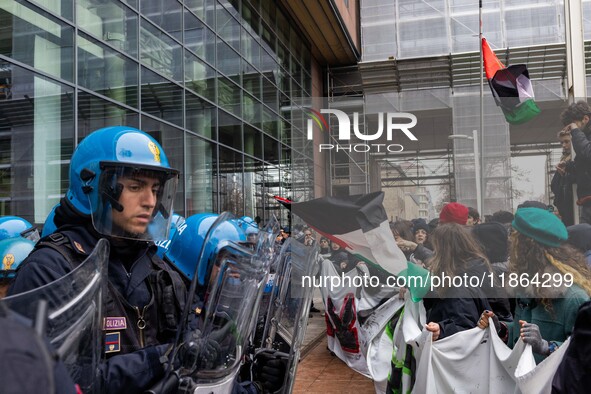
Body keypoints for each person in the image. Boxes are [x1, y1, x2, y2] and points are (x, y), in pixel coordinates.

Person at [9, 126, 186, 394]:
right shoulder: (50, 268)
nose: (150, 201)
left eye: (156, 189)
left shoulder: (158, 269)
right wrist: (157, 360)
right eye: (136, 186)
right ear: (93, 186)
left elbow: (189, 353)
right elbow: (52, 379)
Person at [478, 208, 591, 363]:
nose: (511, 247)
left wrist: (547, 346)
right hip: (523, 382)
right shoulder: (525, 288)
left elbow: (584, 353)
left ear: (528, 249)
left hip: (552, 385)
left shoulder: (574, 298)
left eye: (515, 241)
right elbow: (522, 334)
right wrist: (501, 328)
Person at [424, 223, 492, 341]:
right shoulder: (466, 274)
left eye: (435, 250)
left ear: (444, 254)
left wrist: (441, 330)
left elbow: (465, 327)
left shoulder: (460, 287)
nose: (432, 256)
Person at [560, 101, 591, 224]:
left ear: (585, 118)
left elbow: (587, 153)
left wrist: (576, 131)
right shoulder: (585, 136)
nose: (572, 129)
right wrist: (567, 166)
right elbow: (585, 165)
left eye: (574, 124)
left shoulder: (582, 137)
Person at [551, 128, 575, 226]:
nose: (564, 145)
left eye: (566, 142)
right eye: (562, 142)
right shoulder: (565, 159)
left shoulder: (577, 159)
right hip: (565, 204)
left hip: (572, 205)